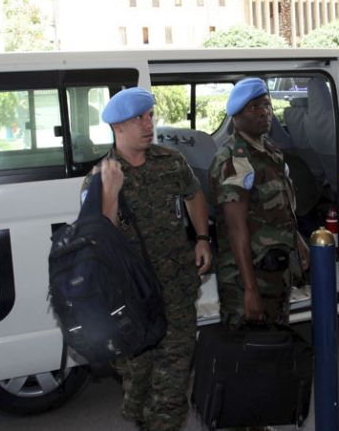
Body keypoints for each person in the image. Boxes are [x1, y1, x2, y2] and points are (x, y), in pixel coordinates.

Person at [80, 87, 212, 431]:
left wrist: (201, 238)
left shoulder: (170, 161)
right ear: (118, 127)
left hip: (177, 293)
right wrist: (109, 194)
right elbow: (96, 242)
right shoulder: (100, 177)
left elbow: (193, 194)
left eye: (150, 115)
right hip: (132, 303)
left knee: (170, 391)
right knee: (139, 390)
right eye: (138, 118)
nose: (148, 123)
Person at [209, 77, 310, 329]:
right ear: (236, 115)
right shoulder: (234, 159)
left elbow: (281, 207)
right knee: (248, 355)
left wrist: (298, 241)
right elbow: (236, 227)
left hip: (275, 272)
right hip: (248, 276)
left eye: (267, 105)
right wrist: (250, 289)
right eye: (255, 107)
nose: (265, 112)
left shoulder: (270, 151)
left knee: (276, 345)